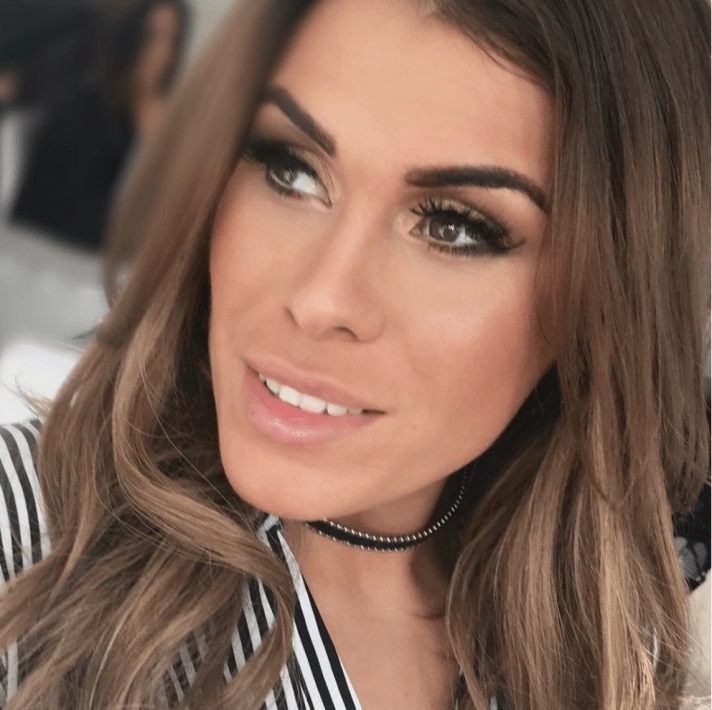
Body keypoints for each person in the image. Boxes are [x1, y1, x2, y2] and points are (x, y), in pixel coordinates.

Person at [0, 0, 709, 708]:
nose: (320, 300)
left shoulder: (610, 645)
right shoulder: (25, 540)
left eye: (455, 227)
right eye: (291, 169)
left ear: (607, 298)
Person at [10, 0, 189, 251]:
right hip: (55, 255)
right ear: (129, 39)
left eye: (172, 40)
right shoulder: (81, 111)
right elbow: (67, 217)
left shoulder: (164, 119)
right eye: (151, 37)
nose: (163, 55)